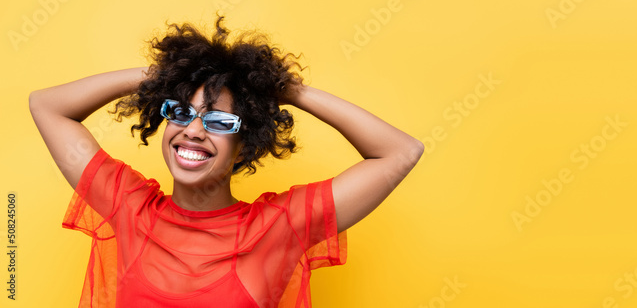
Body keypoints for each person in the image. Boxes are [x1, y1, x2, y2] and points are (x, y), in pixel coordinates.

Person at [28, 16, 424, 308]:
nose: (194, 130)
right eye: (181, 112)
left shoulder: (280, 226)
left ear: (245, 142)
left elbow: (400, 151)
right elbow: (46, 106)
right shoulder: (128, 205)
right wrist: (165, 74)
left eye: (219, 121)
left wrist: (290, 92)